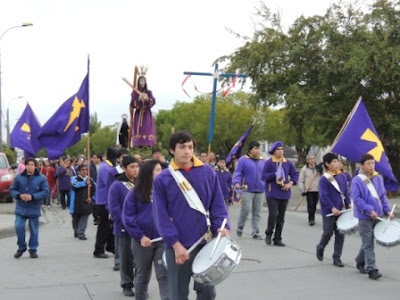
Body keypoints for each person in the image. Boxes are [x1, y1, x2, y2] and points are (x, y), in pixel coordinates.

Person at [152, 130, 229, 300]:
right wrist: (175, 244)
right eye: (182, 147)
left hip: (206, 243)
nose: (187, 151)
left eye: (190, 147)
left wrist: (222, 227)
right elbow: (161, 216)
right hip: (179, 247)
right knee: (178, 294)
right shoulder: (163, 179)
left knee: (208, 292)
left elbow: (218, 205)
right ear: (172, 150)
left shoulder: (207, 172)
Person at [123, 159, 169, 300]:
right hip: (142, 241)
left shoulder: (165, 191)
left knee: (164, 275)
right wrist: (140, 236)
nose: (161, 172)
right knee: (143, 275)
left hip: (162, 240)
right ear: (148, 173)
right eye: (157, 170)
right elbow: (128, 218)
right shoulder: (135, 193)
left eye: (161, 169)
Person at [351, 154, 394, 280]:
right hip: (364, 216)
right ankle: (372, 269)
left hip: (378, 215)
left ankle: (360, 260)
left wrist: (387, 210)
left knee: (368, 241)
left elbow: (382, 197)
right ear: (362, 165)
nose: (371, 166)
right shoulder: (357, 180)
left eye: (373, 163)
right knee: (369, 243)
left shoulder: (378, 178)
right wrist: (369, 210)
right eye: (368, 163)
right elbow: (357, 200)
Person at [109, 156, 140, 297]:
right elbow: (114, 209)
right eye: (132, 167)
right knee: (126, 259)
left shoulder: (142, 184)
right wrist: (127, 224)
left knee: (141, 260)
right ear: (124, 168)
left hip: (141, 229)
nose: (135, 170)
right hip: (124, 228)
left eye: (137, 166)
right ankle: (127, 284)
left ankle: (140, 284)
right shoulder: (117, 186)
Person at [316, 152, 351, 267]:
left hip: (341, 211)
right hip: (329, 211)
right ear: (327, 164)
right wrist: (332, 207)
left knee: (340, 234)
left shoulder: (342, 176)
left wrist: (348, 204)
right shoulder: (324, 179)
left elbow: (345, 192)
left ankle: (337, 257)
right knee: (328, 232)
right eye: (334, 162)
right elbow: (323, 196)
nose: (337, 164)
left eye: (337, 161)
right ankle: (320, 247)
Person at [11, 158, 49, 259]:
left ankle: (33, 249)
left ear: (35, 166)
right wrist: (19, 195)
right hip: (21, 207)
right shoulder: (19, 177)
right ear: (25, 165)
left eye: (32, 165)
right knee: (18, 226)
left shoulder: (41, 178)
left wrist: (33, 197)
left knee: (34, 230)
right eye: (28, 164)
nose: (30, 166)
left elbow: (45, 191)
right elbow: (12, 189)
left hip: (34, 207)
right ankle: (21, 247)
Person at [263, 141, 299, 246]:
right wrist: (274, 175)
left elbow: (295, 174)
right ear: (273, 151)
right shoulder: (269, 163)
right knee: (273, 214)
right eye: (278, 149)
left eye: (281, 149)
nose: (280, 151)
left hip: (284, 193)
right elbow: (264, 177)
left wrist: (291, 183)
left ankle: (277, 238)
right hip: (272, 193)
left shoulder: (287, 163)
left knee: (281, 217)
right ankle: (269, 233)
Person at [232, 141, 265, 239]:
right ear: (250, 150)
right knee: (246, 209)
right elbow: (238, 172)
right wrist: (236, 182)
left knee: (257, 212)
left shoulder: (263, 161)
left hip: (260, 189)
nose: (258, 150)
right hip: (247, 189)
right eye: (255, 148)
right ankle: (240, 225)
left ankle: (255, 231)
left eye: (259, 148)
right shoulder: (243, 160)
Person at [107, 147, 130, 270]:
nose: (124, 158)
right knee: (119, 235)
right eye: (122, 157)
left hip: (131, 209)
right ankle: (118, 260)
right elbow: (109, 190)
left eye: (126, 156)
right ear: (118, 159)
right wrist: (109, 208)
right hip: (117, 206)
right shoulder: (113, 172)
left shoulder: (134, 171)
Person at [93, 147, 118, 258]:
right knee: (104, 226)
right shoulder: (106, 168)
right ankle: (98, 250)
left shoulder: (109, 167)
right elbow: (110, 184)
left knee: (110, 225)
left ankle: (111, 246)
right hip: (103, 201)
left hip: (107, 200)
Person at [70, 164, 95, 240]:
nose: (85, 171)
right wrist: (84, 183)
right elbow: (75, 186)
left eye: (86, 170)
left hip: (86, 202)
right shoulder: (74, 179)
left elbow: (94, 190)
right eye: (83, 170)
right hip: (76, 203)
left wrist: (91, 197)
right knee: (75, 219)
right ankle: (76, 231)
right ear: (79, 171)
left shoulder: (90, 179)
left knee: (84, 217)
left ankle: (81, 233)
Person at [130, 75, 156, 147]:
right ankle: (138, 146)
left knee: (147, 128)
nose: (142, 83)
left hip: (147, 114)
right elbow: (132, 103)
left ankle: (148, 145)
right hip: (139, 114)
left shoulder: (149, 92)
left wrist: (147, 99)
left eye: (144, 81)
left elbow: (153, 101)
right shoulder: (135, 92)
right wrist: (139, 99)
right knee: (139, 130)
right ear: (138, 82)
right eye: (141, 81)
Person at [299, 154, 321, 226]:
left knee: (314, 205)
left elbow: (324, 177)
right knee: (310, 205)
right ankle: (311, 219)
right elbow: (301, 180)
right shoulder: (304, 169)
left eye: (313, 158)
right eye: (310, 159)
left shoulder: (318, 168)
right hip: (309, 190)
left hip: (317, 189)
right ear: (307, 160)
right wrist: (302, 190)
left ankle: (313, 216)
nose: (312, 160)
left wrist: (321, 171)